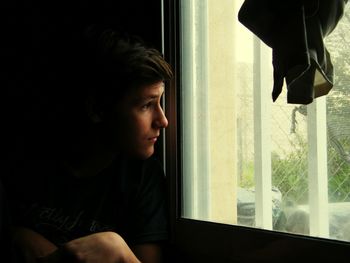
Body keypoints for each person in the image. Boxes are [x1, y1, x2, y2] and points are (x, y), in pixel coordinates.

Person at [5, 26, 173, 263]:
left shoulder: (142, 177)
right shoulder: (25, 160)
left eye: (160, 102)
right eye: (146, 105)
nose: (163, 121)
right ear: (97, 108)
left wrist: (118, 251)